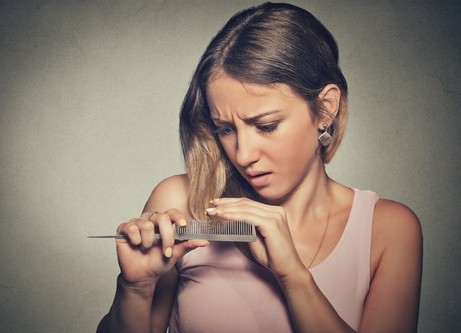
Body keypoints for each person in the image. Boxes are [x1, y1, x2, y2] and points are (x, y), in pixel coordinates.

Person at [97, 2, 422, 332]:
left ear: (325, 109)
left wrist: (294, 278)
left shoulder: (387, 229)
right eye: (225, 128)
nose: (243, 154)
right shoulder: (181, 204)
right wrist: (135, 289)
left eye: (266, 126)